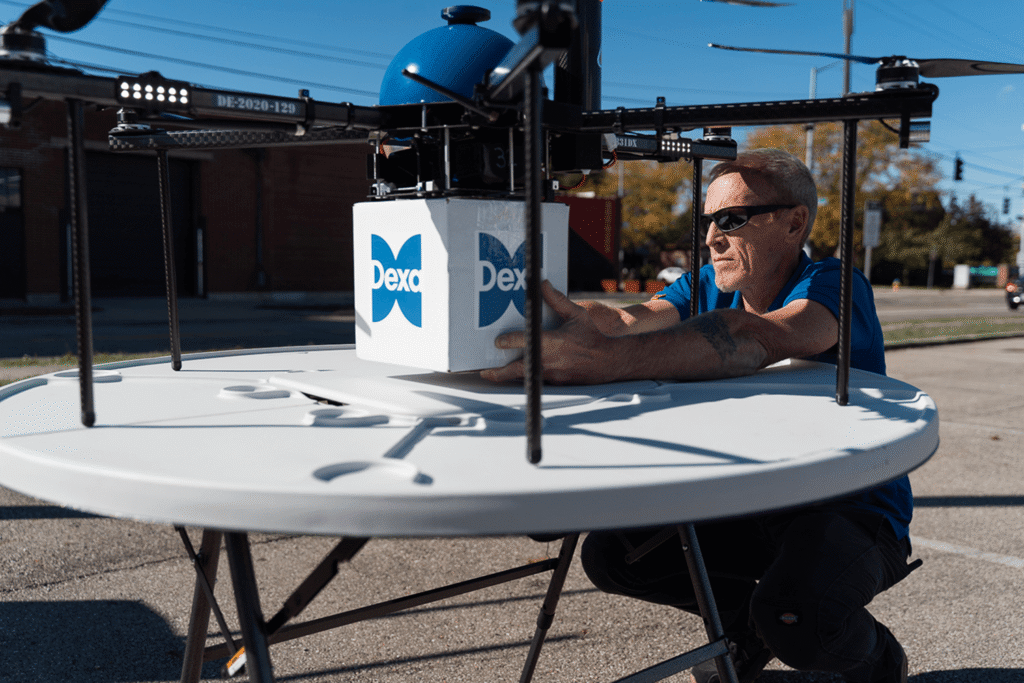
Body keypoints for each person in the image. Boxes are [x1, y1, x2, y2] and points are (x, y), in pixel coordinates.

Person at [482, 148, 919, 683]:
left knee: (800, 620)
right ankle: (747, 625)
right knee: (616, 556)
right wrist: (554, 324)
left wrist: (607, 363)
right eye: (709, 220)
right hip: (757, 501)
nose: (712, 237)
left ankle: (877, 658)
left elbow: (758, 338)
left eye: (732, 220)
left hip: (851, 510)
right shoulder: (706, 285)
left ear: (793, 223)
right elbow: (626, 319)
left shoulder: (835, 286)